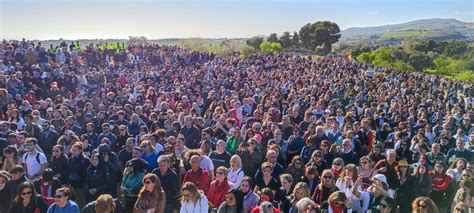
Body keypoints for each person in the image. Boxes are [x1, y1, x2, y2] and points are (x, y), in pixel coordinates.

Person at [67, 142, 90, 209]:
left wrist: (77, 179)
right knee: (78, 201)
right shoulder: (71, 160)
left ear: (80, 150)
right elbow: (68, 171)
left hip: (82, 185)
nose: (73, 152)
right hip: (73, 185)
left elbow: (85, 174)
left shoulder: (85, 160)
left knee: (85, 201)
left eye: (75, 150)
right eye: (72, 150)